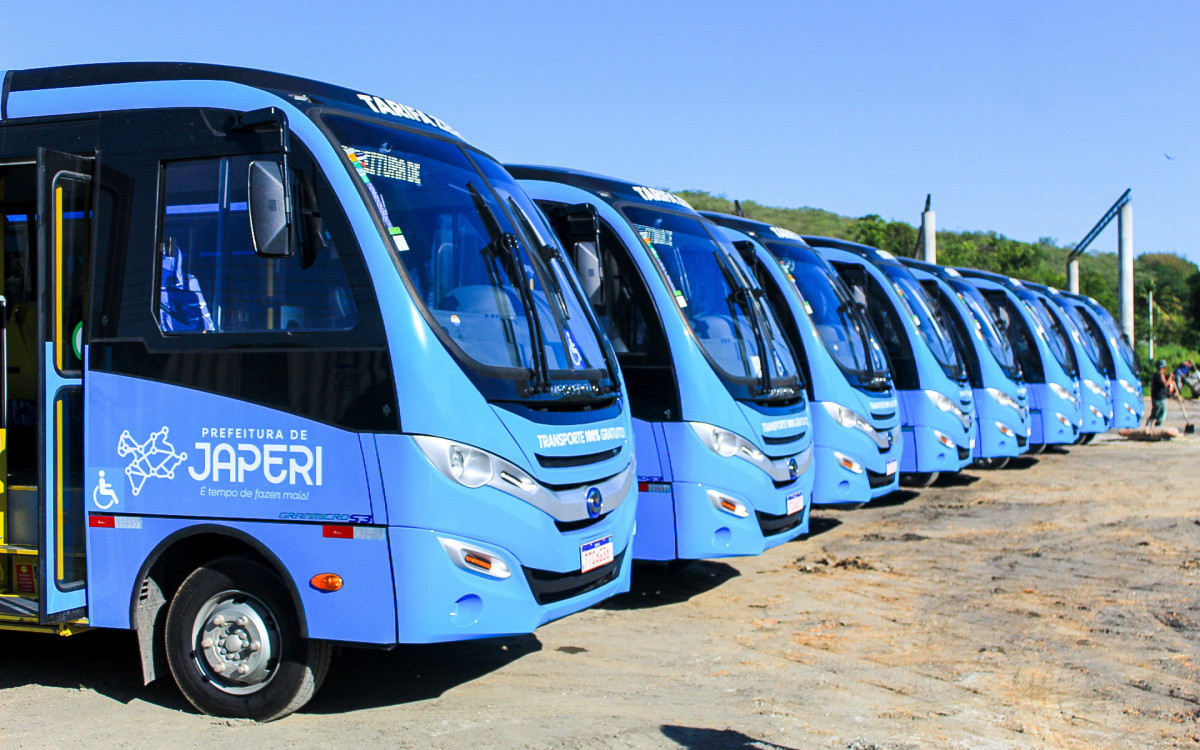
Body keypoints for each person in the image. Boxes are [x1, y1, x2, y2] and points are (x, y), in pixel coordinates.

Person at [1146, 359, 1176, 426]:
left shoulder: (1157, 375)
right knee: (1159, 414)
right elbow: (1164, 385)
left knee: (1156, 413)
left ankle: (1152, 425)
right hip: (1159, 398)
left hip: (1158, 397)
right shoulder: (1159, 375)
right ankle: (1155, 425)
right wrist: (1170, 378)